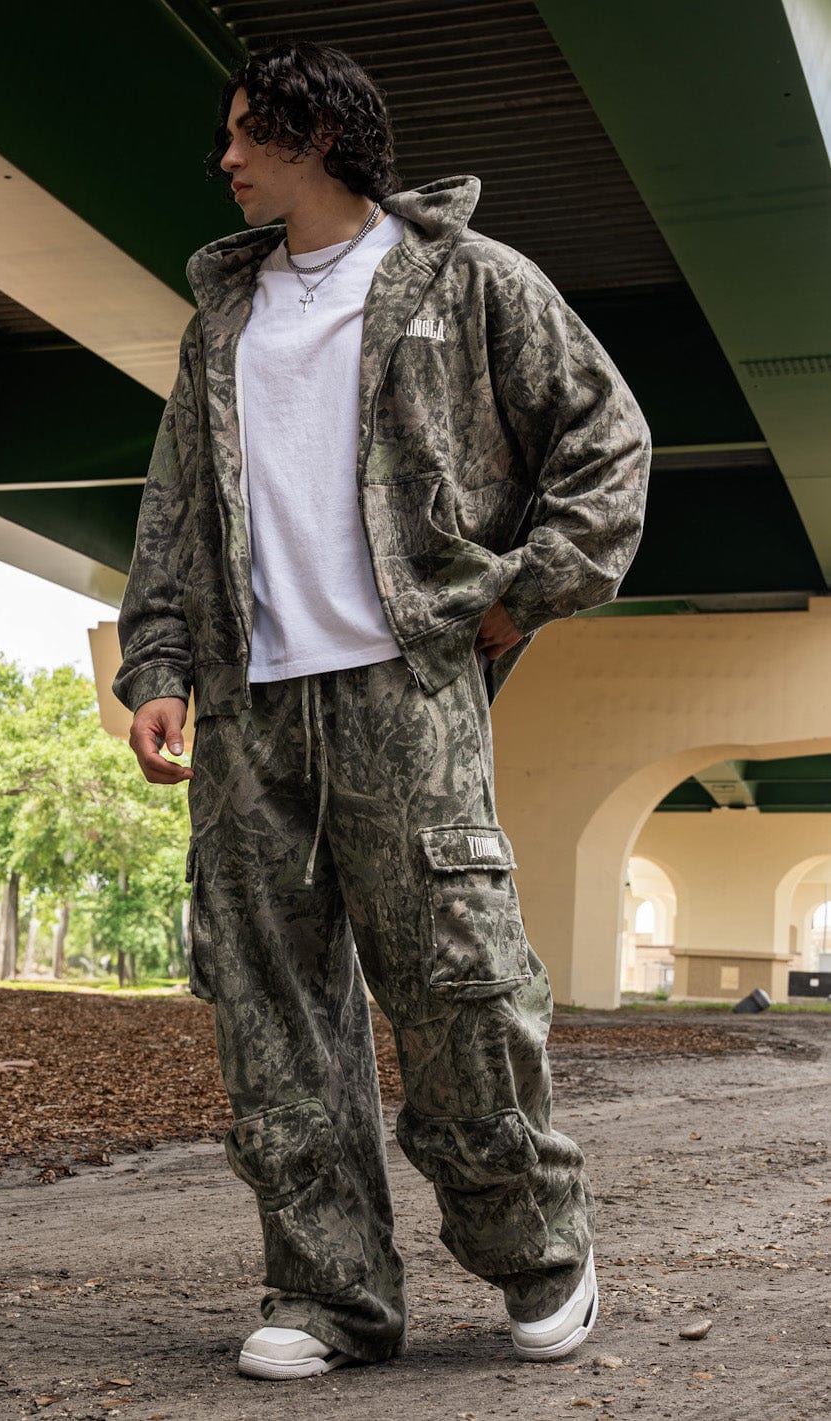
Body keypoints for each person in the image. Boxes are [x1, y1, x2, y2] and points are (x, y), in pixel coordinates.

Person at [113, 39, 650, 1382]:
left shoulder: (468, 280)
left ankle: (540, 1251)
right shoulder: (223, 317)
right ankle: (331, 1293)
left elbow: (608, 442)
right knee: (270, 1007)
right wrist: (161, 664)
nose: (226, 160)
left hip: (405, 687)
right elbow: (175, 511)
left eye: (247, 134)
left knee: (458, 981)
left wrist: (525, 592)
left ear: (317, 136)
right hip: (252, 707)